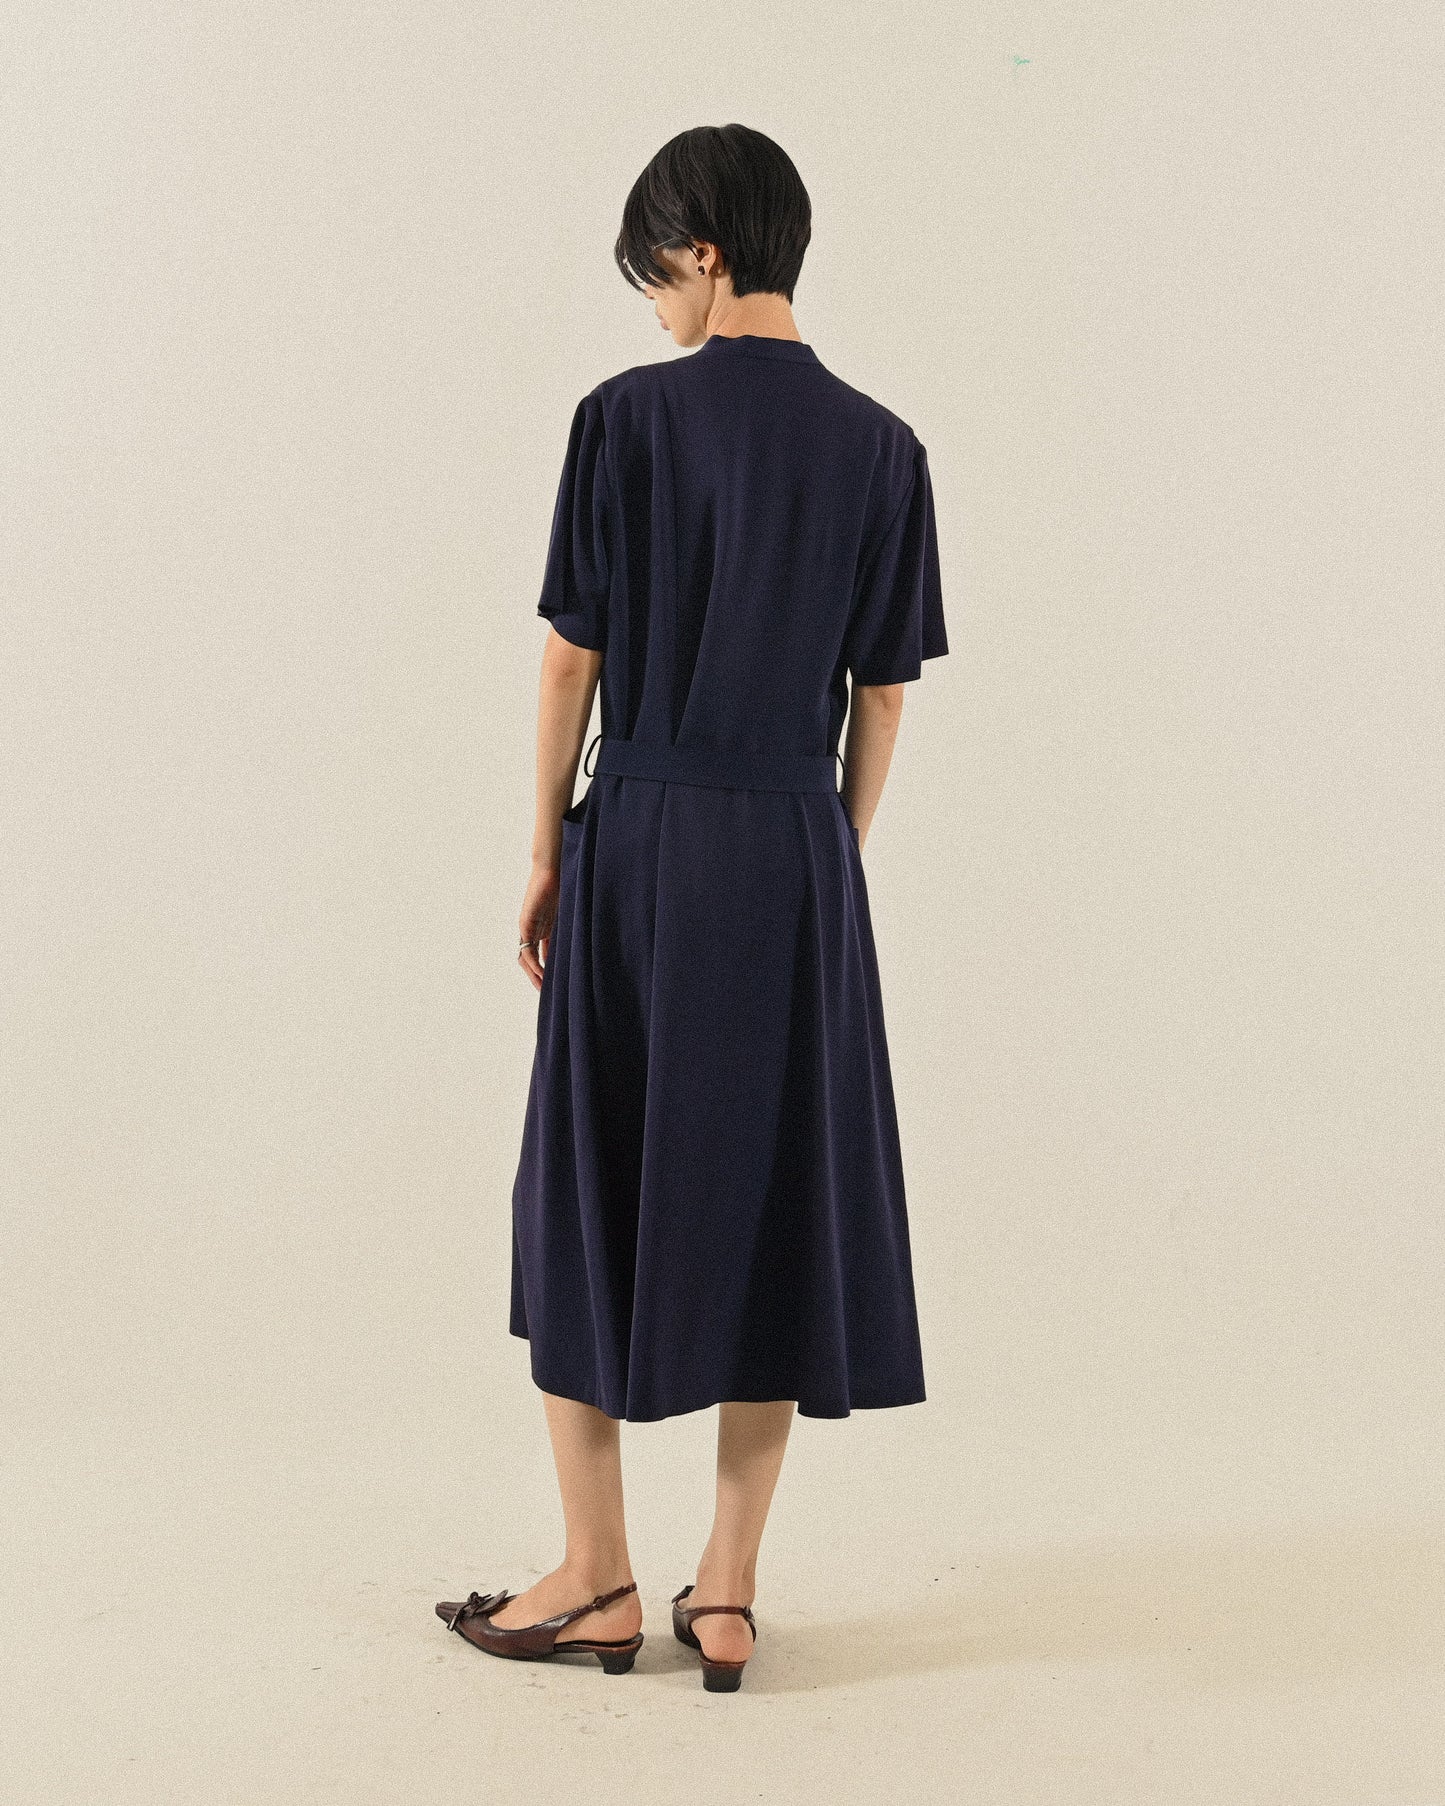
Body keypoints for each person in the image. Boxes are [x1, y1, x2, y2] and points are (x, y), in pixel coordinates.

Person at [437, 123, 948, 1692]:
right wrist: (825, 853)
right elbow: (881, 698)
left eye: (654, 271)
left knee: (583, 1186)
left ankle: (594, 1572)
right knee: (776, 1198)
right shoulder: (883, 449)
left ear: (704, 251)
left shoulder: (623, 421)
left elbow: (570, 659)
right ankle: (724, 1592)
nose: (653, 303)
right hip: (792, 853)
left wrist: (544, 848)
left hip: (643, 835)